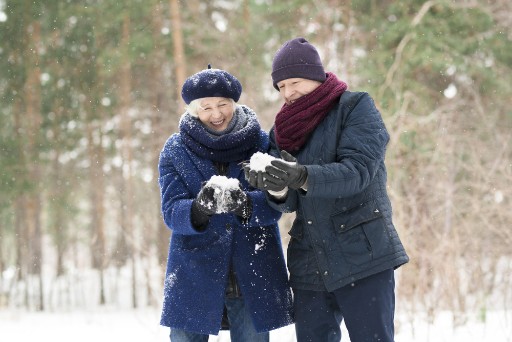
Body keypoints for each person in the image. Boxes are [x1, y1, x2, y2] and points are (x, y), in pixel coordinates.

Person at [245, 37, 409, 342]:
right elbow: (291, 201)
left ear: (315, 76)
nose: (287, 92)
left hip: (363, 252)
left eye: (294, 82)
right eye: (280, 86)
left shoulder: (355, 107)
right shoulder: (281, 131)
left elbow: (358, 172)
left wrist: (301, 174)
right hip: (309, 263)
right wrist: (278, 188)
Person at [158, 65, 293, 341]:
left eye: (222, 104)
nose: (216, 114)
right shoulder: (175, 149)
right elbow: (171, 211)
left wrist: (246, 205)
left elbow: (277, 202)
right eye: (206, 107)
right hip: (194, 274)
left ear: (234, 103)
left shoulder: (260, 142)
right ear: (194, 111)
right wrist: (198, 209)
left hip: (252, 273)